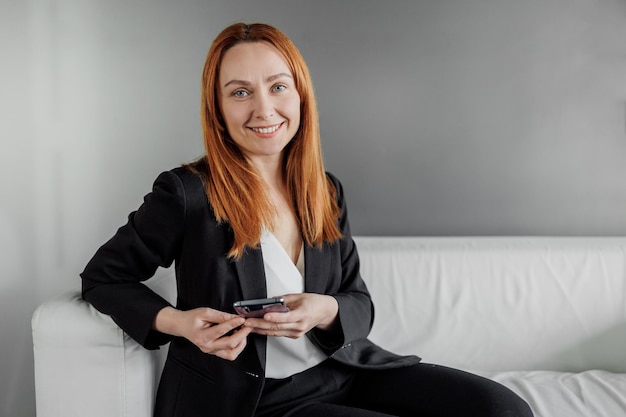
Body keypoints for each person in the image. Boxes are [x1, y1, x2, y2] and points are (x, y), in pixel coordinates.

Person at [81, 22, 534, 417]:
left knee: (505, 409)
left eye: (278, 86)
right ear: (217, 109)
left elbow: (358, 300)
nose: (264, 109)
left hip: (344, 371)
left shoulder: (324, 188)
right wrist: (178, 323)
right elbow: (103, 278)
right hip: (254, 401)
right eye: (240, 92)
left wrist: (326, 309)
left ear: (300, 95)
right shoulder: (187, 193)